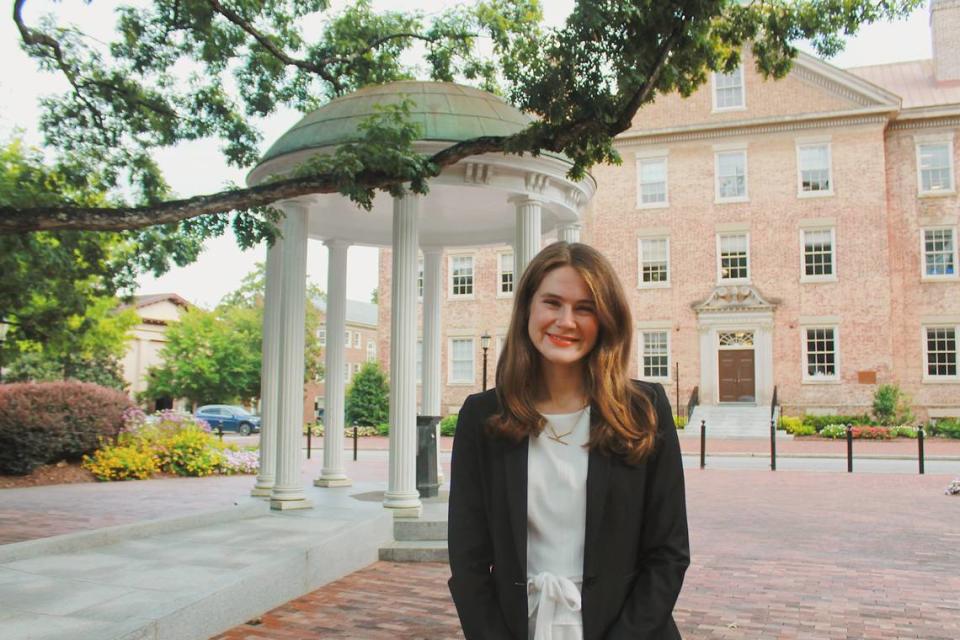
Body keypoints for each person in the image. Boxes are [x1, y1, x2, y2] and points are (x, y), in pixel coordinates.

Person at [448, 241, 689, 640]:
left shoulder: (644, 409)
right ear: (528, 308)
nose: (566, 321)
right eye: (552, 303)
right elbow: (469, 560)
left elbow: (668, 553)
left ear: (606, 319)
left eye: (584, 308)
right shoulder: (482, 417)